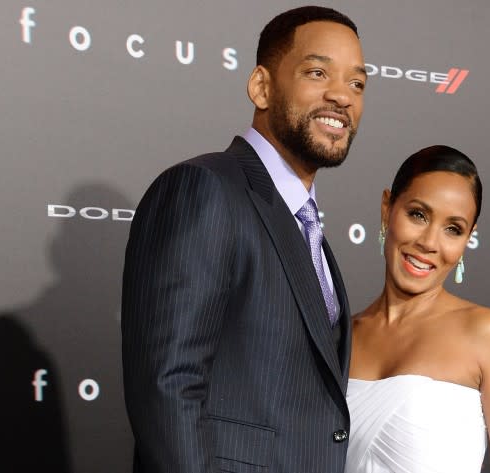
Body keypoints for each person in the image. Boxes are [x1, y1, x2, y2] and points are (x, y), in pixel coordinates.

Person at [121, 6, 367, 473]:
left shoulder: (305, 227)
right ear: (261, 86)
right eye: (318, 72)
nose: (342, 96)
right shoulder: (204, 189)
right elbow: (167, 386)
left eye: (357, 84)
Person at [345, 146, 490, 473]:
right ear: (386, 208)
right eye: (418, 214)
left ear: (467, 240)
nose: (430, 242)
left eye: (453, 229)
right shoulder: (341, 337)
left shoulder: (488, 335)